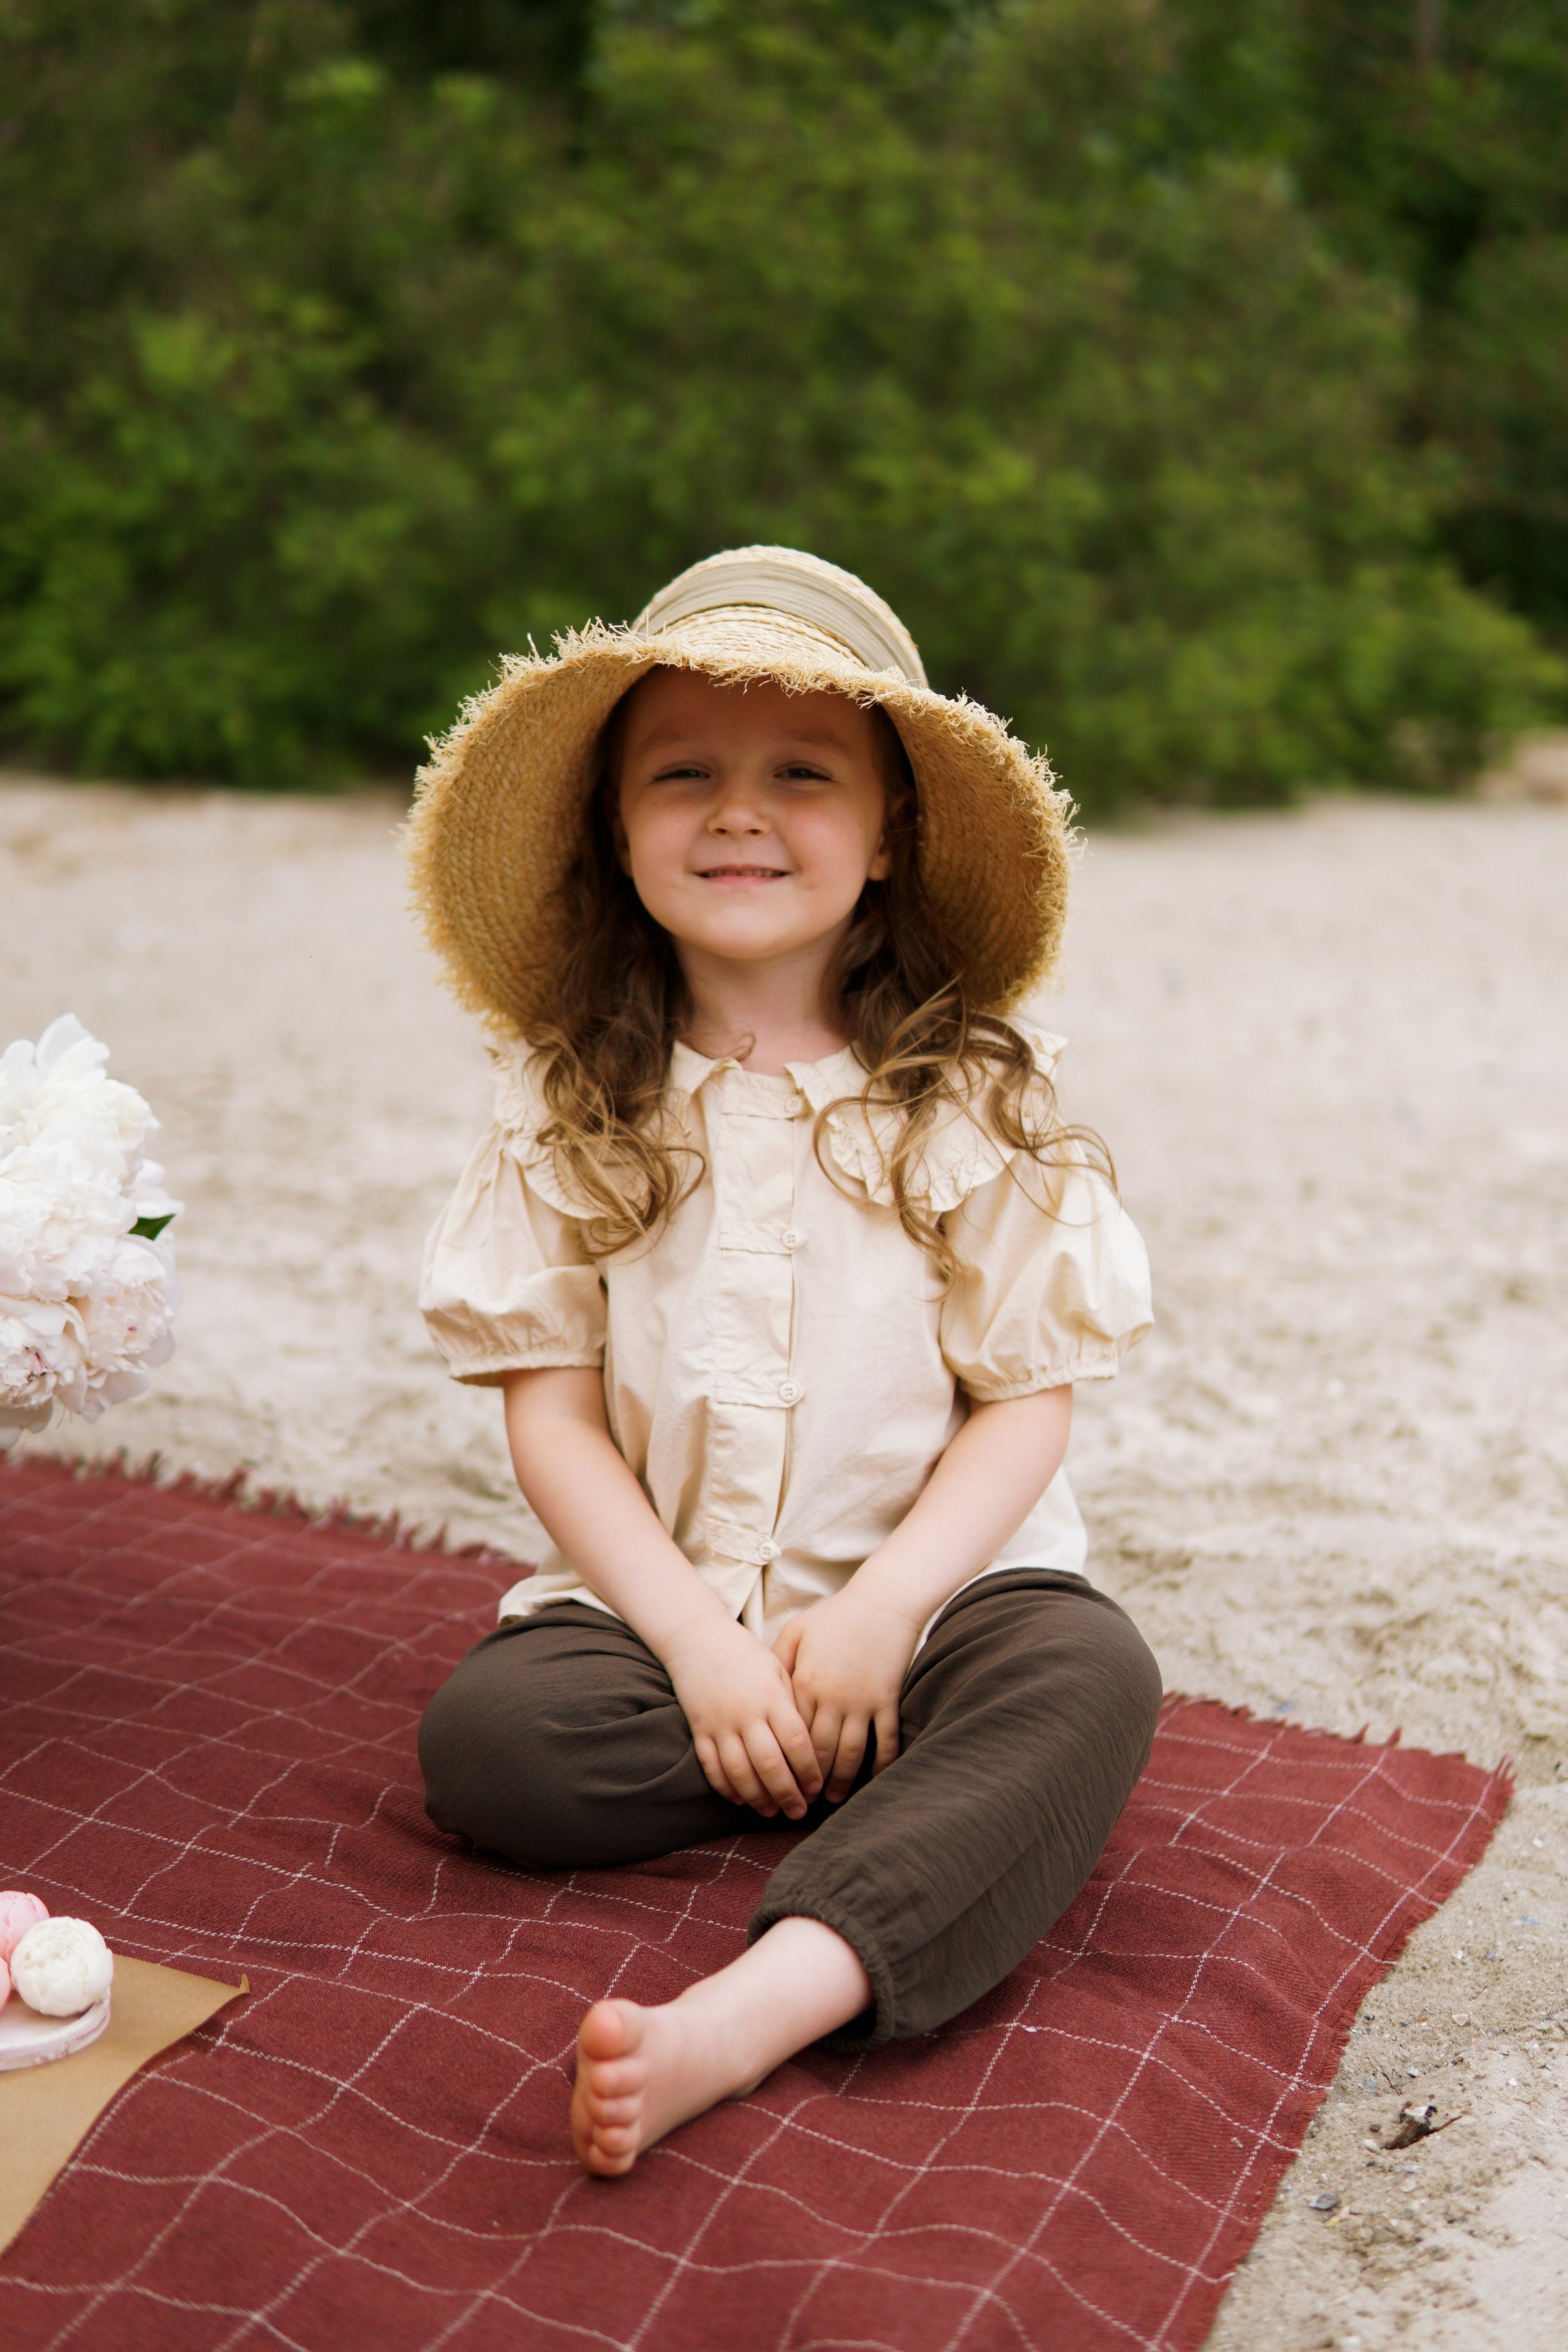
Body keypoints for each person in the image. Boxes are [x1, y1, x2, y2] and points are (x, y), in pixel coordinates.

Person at [407, 546, 1162, 2176]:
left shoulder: (968, 1103)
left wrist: (887, 1612)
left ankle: (760, 2005)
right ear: (619, 829)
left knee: (1091, 1682)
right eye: (684, 775)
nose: (739, 813)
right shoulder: (568, 1102)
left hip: (944, 1599)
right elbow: (551, 1420)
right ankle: (855, 1768)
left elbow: (1028, 1404)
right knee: (491, 1744)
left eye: (801, 776)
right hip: (667, 1614)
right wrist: (698, 1646)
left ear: (887, 835)